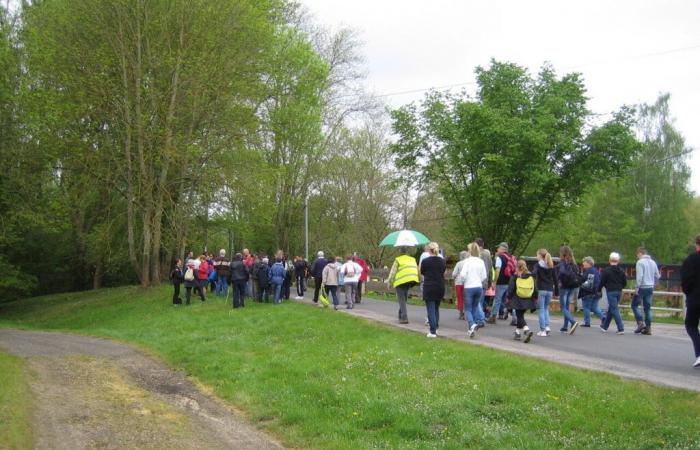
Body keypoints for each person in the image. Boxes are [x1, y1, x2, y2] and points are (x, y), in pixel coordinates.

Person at [459, 243, 488, 338]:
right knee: (475, 308)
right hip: (478, 287)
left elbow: (462, 275)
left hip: (469, 287)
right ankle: (471, 330)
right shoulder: (481, 262)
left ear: (469, 251)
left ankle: (472, 325)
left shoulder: (467, 261)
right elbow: (484, 276)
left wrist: (464, 281)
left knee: (467, 309)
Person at [680, 233, 700, 368]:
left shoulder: (691, 260)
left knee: (691, 325)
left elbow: (685, 280)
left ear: (696, 244)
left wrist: (689, 292)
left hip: (695, 297)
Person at [386, 247, 419, 324]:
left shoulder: (398, 259)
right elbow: (416, 269)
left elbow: (392, 273)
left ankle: (404, 318)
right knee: (404, 298)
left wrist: (389, 283)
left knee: (401, 300)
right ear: (406, 252)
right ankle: (400, 315)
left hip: (401, 281)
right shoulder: (412, 259)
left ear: (400, 252)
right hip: (410, 280)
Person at [507, 259, 537, 343]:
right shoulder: (530, 276)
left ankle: (526, 329)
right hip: (528, 299)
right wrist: (535, 297)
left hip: (517, 299)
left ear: (517, 267)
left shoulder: (515, 276)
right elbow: (535, 288)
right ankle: (517, 332)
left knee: (519, 316)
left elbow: (511, 288)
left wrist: (508, 297)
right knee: (521, 316)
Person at [632, 247, 660, 335]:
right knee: (647, 308)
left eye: (637, 254)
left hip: (642, 287)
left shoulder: (640, 262)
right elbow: (658, 275)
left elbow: (639, 277)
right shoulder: (653, 262)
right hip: (650, 287)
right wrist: (653, 282)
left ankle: (640, 323)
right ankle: (648, 328)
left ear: (640, 253)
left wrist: (637, 288)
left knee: (634, 305)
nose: (637, 256)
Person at [421, 242, 446, 338]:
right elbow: (443, 271)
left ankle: (432, 331)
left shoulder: (425, 261)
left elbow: (422, 271)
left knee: (430, 308)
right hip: (440, 286)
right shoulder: (442, 261)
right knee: (436, 308)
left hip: (429, 286)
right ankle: (436, 327)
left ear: (428, 250)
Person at [486, 243, 515, 324]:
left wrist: (494, 281)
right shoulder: (511, 257)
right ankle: (515, 318)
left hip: (501, 282)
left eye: (498, 248)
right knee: (509, 300)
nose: (497, 250)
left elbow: (497, 270)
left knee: (497, 299)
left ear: (503, 249)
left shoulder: (500, 258)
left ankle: (493, 317)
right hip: (509, 281)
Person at [599, 252, 627, 335]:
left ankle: (621, 328)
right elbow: (624, 282)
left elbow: (602, 281)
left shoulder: (606, 270)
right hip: (619, 291)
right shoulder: (621, 270)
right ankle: (605, 326)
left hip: (611, 291)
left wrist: (598, 289)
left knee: (614, 310)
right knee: (612, 309)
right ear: (618, 260)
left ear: (609, 260)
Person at [558, 245, 581, 335]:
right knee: (567, 307)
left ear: (562, 253)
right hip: (571, 286)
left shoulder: (563, 262)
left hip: (564, 287)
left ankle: (572, 322)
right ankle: (564, 326)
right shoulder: (573, 263)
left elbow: (562, 272)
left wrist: (559, 277)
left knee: (563, 307)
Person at [533, 248, 556, 336]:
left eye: (537, 255)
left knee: (541, 309)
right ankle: (547, 326)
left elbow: (534, 274)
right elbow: (555, 279)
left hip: (542, 289)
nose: (536, 257)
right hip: (550, 289)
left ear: (540, 255)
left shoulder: (538, 265)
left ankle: (542, 330)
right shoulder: (551, 266)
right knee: (546, 308)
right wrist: (556, 291)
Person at [579, 256, 604, 327]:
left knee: (586, 307)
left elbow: (589, 283)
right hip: (597, 292)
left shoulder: (589, 271)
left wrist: (580, 283)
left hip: (589, 293)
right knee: (594, 307)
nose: (583, 263)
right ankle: (603, 318)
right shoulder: (596, 271)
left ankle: (587, 322)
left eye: (584, 262)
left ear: (589, 263)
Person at [475, 238, 492, 326]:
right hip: (485, 280)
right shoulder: (487, 254)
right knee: (480, 301)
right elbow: (490, 267)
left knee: (477, 302)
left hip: (476, 280)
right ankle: (480, 318)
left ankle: (480, 319)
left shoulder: (476, 254)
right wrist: (490, 281)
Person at [451, 251, 469, 320]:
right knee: (467, 298)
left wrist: (454, 277)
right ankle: (467, 312)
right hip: (467, 283)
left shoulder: (459, 263)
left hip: (459, 283)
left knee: (460, 298)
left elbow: (454, 274)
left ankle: (461, 313)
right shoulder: (469, 263)